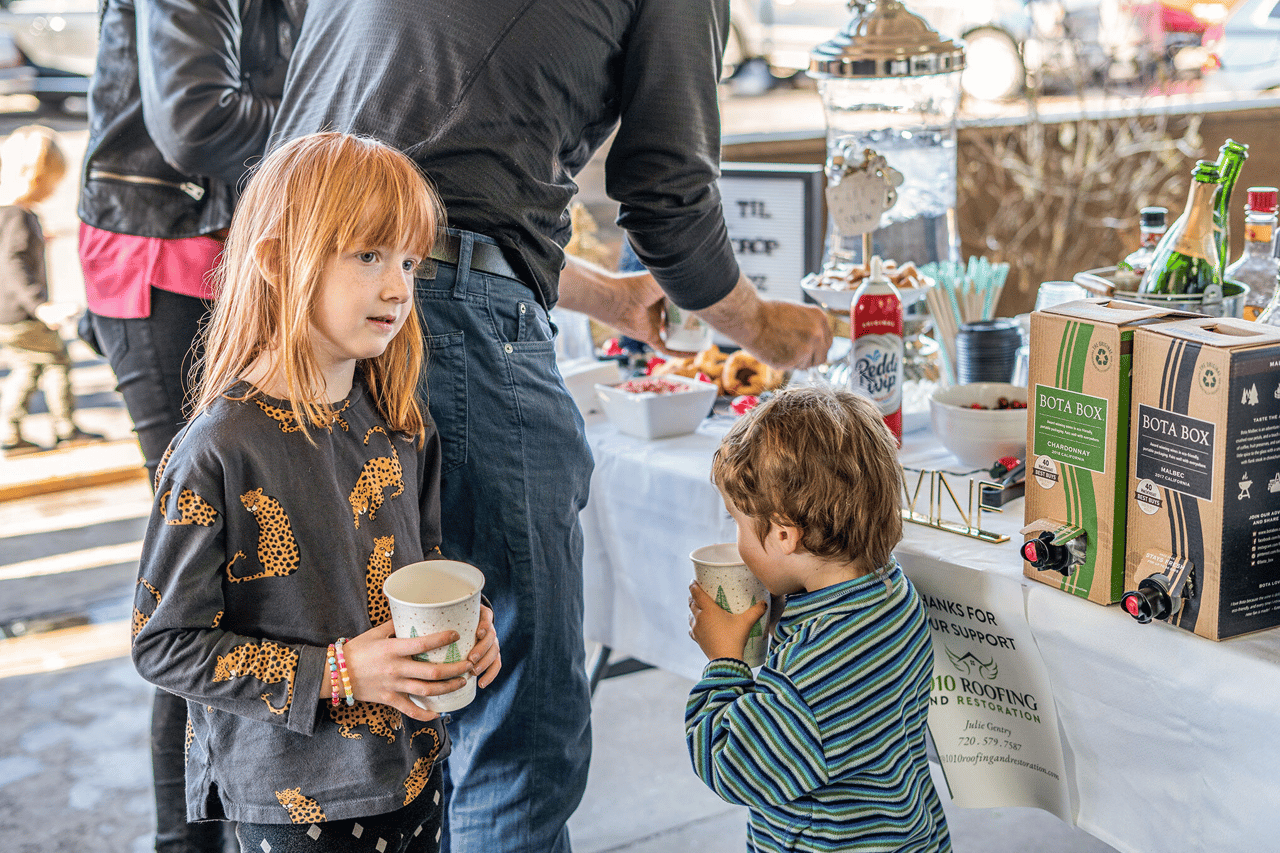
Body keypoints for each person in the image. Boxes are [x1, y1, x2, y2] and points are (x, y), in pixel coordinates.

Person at [270, 5, 832, 850]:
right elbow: (668, 196)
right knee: (513, 723)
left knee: (384, 702)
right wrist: (763, 328)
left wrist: (608, 299)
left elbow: (430, 190)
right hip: (443, 323)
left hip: (291, 303)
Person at [131, 133, 501, 853]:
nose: (398, 287)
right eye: (368, 256)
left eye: (409, 261)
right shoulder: (218, 449)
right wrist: (337, 672)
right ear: (275, 261)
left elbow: (423, 564)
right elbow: (164, 644)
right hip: (294, 808)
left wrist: (468, 622)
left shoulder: (401, 421)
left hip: (415, 773)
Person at [77, 3, 304, 850]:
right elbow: (196, 121)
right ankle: (186, 840)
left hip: (225, 256)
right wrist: (341, 104)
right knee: (199, 587)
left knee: (246, 575)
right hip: (167, 260)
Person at [686, 386, 951, 853]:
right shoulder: (893, 593)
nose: (738, 541)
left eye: (737, 523)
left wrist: (724, 660)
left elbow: (732, 766)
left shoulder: (818, 668)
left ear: (784, 534)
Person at [0, 125, 103, 455]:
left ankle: (11, 431)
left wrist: (39, 240)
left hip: (8, 313)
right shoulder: (19, 217)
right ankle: (65, 428)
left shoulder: (7, 213)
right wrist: (40, 306)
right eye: (52, 183)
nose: (53, 191)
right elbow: (12, 263)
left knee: (28, 366)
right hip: (25, 313)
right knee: (57, 361)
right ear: (37, 179)